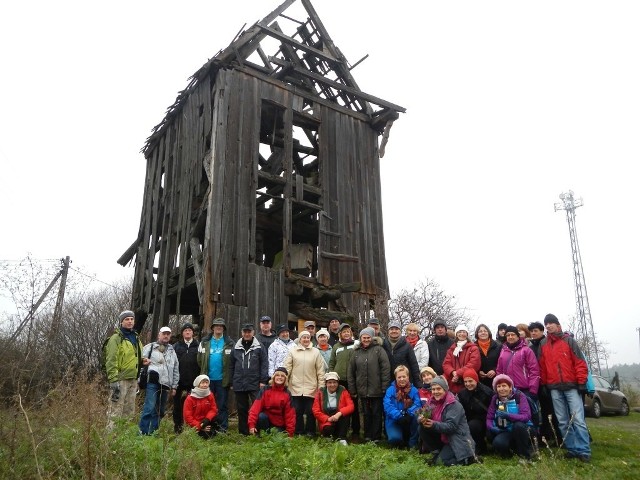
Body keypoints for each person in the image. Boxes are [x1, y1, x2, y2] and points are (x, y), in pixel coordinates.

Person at [539, 313, 591, 462]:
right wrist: (543, 383)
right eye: (546, 323)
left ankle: (584, 450)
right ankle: (572, 449)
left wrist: (581, 382)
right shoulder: (543, 344)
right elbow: (542, 366)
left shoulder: (569, 341)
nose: (548, 325)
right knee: (562, 420)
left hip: (571, 386)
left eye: (551, 323)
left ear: (558, 325)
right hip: (554, 387)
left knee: (578, 419)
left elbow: (580, 362)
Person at [418, 376, 476, 466]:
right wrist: (420, 418)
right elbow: (422, 413)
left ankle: (468, 459)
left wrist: (434, 424)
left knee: (441, 463)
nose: (435, 392)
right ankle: (437, 453)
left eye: (438, 389)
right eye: (433, 389)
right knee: (422, 427)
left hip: (456, 440)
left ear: (445, 389)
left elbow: (451, 426)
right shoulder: (431, 401)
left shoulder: (453, 404)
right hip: (443, 437)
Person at [348, 327, 390, 442]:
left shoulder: (379, 350)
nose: (366, 339)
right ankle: (367, 435)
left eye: (368, 337)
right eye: (364, 337)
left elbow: (385, 369)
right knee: (366, 413)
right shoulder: (356, 352)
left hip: (377, 389)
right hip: (362, 389)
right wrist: (353, 389)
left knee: (377, 413)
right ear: (360, 338)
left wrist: (384, 387)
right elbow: (351, 371)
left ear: (372, 338)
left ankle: (376, 436)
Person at [139, 326, 180, 435]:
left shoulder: (172, 351)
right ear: (159, 335)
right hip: (152, 382)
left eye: (168, 334)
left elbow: (175, 369)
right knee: (149, 407)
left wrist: (174, 386)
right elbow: (139, 362)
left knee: (160, 411)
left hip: (166, 384)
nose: (166, 336)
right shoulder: (150, 347)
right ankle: (143, 433)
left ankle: (153, 433)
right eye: (164, 334)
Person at [105, 310, 142, 430]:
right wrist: (113, 380)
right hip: (120, 379)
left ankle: (123, 441)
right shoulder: (116, 338)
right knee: (115, 412)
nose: (130, 321)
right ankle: (110, 442)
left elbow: (137, 356)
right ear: (121, 322)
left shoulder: (136, 337)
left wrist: (143, 361)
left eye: (132, 319)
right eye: (127, 319)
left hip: (133, 379)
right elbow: (111, 359)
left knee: (129, 412)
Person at [284, 330, 325, 436]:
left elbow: (320, 371)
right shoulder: (293, 351)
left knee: (311, 411)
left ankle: (310, 431)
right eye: (304, 337)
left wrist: (321, 386)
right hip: (295, 387)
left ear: (310, 339)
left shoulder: (316, 352)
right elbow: (287, 368)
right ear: (300, 339)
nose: (306, 339)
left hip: (311, 386)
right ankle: (299, 431)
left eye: (308, 337)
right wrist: (284, 382)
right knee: (297, 410)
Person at [230, 323, 269, 435]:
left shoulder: (259, 347)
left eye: (249, 332)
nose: (247, 334)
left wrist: (263, 381)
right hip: (239, 382)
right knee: (242, 409)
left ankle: (257, 431)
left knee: (257, 408)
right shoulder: (236, 347)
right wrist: (232, 381)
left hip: (255, 382)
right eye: (245, 332)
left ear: (253, 333)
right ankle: (244, 432)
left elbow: (264, 364)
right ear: (242, 333)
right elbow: (231, 365)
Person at [197, 317, 234, 432]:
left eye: (221, 326)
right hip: (207, 381)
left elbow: (233, 361)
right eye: (216, 326)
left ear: (223, 328)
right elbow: (199, 359)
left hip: (223, 379)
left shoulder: (229, 343)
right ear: (212, 328)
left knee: (222, 405)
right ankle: (209, 428)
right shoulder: (204, 342)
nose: (219, 327)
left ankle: (222, 429)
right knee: (207, 405)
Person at [486, 374, 534, 461]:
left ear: (510, 387)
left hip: (524, 428)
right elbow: (489, 417)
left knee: (518, 425)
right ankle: (513, 449)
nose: (501, 389)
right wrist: (492, 428)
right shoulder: (495, 399)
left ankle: (525, 456)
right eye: (499, 386)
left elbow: (526, 416)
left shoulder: (519, 396)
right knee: (498, 443)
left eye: (504, 386)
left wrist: (509, 416)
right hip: (506, 430)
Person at [528, 320, 559, 445]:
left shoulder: (547, 344)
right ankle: (543, 436)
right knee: (540, 411)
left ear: (542, 331)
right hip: (536, 384)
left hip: (549, 383)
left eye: (536, 331)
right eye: (532, 331)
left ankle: (556, 435)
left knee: (552, 410)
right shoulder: (530, 348)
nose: (533, 333)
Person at [328, 323, 360, 441]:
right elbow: (332, 363)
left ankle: (355, 432)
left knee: (354, 407)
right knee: (340, 406)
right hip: (339, 381)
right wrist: (331, 376)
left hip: (354, 380)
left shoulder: (356, 344)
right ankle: (339, 431)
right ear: (340, 334)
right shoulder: (336, 347)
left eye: (348, 331)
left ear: (351, 333)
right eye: (344, 332)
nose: (346, 333)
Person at [248, 367, 296, 437]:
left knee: (277, 437)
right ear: (273, 377)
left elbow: (290, 415)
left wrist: (290, 433)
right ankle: (263, 435)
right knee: (261, 416)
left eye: (282, 376)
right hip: (265, 421)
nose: (280, 377)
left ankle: (271, 434)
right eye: (277, 375)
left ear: (285, 379)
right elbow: (255, 408)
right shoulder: (265, 390)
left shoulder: (287, 393)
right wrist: (251, 425)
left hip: (279, 424)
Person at [496, 326, 540, 400]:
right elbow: (499, 370)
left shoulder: (526, 350)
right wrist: (500, 387)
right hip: (508, 390)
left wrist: (533, 390)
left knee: (525, 411)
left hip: (525, 390)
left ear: (518, 336)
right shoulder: (503, 351)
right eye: (508, 335)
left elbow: (534, 370)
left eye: (513, 334)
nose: (510, 337)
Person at [383, 365, 422, 449]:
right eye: (399, 377)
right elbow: (387, 406)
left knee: (417, 417)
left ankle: (412, 443)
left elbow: (418, 404)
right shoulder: (390, 390)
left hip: (409, 418)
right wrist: (399, 415)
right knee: (395, 439)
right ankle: (399, 438)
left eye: (404, 376)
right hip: (394, 419)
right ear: (396, 378)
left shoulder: (414, 390)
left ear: (408, 377)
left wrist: (409, 413)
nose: (401, 379)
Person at [456, 369, 493, 454]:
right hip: (470, 419)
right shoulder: (462, 393)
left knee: (473, 426)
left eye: (470, 381)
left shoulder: (487, 392)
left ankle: (481, 447)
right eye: (465, 382)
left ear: (476, 380)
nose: (468, 384)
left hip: (485, 420)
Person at [312, 371, 354, 444]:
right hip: (327, 419)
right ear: (326, 383)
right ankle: (328, 437)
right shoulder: (320, 392)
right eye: (330, 382)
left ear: (338, 383)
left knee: (346, 415)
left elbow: (351, 406)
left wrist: (339, 413)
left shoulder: (343, 390)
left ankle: (342, 438)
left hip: (339, 417)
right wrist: (327, 418)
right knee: (327, 429)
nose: (332, 385)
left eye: (334, 382)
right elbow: (315, 410)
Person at [173, 322, 200, 434]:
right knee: (177, 406)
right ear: (182, 333)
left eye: (189, 330)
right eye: (185, 330)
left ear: (193, 333)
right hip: (179, 381)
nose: (187, 332)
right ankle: (178, 428)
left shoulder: (198, 346)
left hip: (193, 381)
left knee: (193, 406)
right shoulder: (176, 346)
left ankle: (192, 428)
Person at [442, 325, 480, 395]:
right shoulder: (451, 350)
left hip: (467, 382)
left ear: (467, 334)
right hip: (453, 383)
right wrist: (453, 372)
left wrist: (458, 373)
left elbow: (474, 363)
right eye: (459, 332)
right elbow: (446, 364)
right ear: (456, 334)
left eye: (464, 332)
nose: (462, 334)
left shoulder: (473, 348)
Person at [383, 320, 422, 388]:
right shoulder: (383, 345)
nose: (394, 331)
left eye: (396, 329)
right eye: (391, 329)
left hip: (405, 383)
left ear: (400, 331)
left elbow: (414, 365)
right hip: (389, 383)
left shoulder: (407, 345)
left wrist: (418, 384)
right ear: (388, 331)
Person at [183, 374, 218, 439]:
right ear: (198, 384)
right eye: (202, 383)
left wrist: (207, 419)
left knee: (212, 432)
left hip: (206, 421)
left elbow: (213, 409)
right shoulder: (190, 398)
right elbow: (188, 417)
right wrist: (200, 426)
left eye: (207, 382)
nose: (205, 385)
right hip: (194, 424)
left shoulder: (210, 395)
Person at [474, 324, 500, 389]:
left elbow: (501, 362)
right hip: (480, 381)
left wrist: (495, 370)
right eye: (480, 331)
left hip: (496, 380)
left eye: (485, 331)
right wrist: (478, 371)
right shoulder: (473, 347)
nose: (483, 333)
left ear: (489, 333)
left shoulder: (498, 346)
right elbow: (471, 362)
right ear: (477, 334)